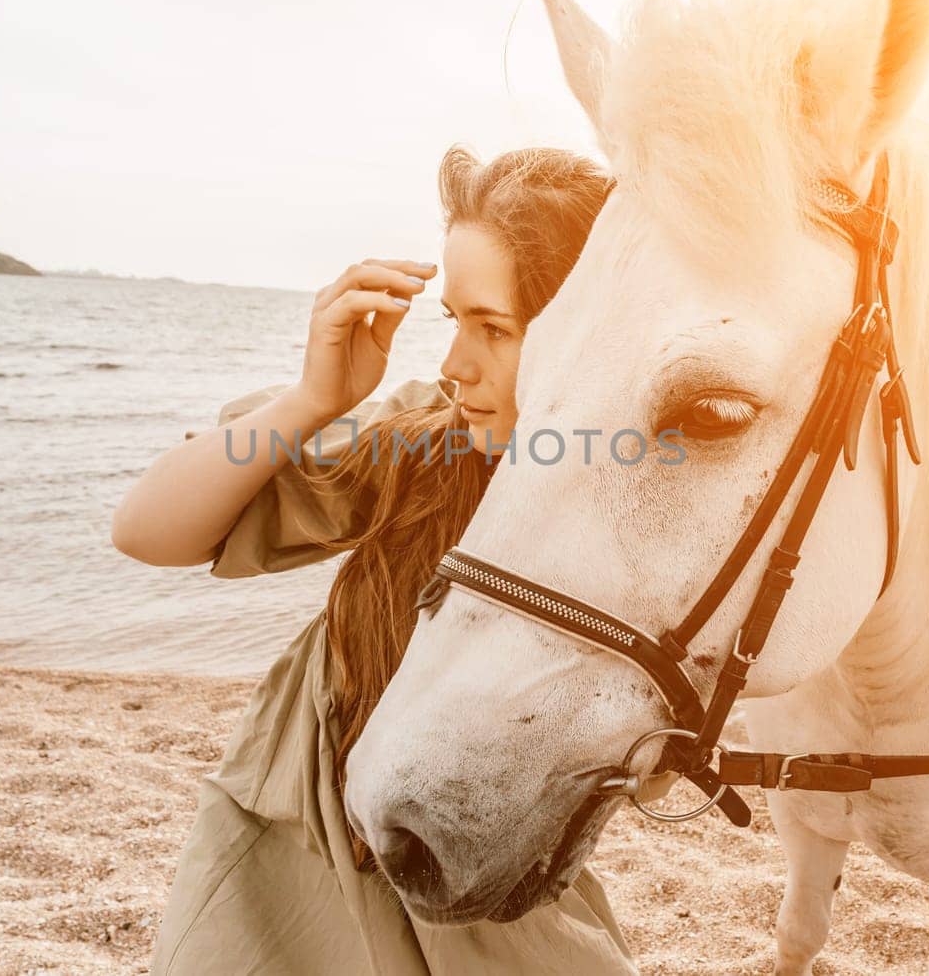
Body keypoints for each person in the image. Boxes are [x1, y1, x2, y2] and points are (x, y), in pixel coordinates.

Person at [112, 145, 636, 975]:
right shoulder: (424, 440)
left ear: (587, 329)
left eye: (492, 328)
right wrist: (313, 398)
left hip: (479, 884)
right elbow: (148, 530)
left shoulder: (643, 505)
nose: (455, 364)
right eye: (453, 321)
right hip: (288, 852)